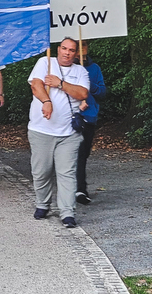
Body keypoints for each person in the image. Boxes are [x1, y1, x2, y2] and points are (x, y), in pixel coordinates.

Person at [27, 38, 89, 228]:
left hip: (68, 133)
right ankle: (42, 204)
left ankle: (67, 212)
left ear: (76, 53)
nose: (67, 53)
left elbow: (82, 94)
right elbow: (36, 85)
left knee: (67, 173)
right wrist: (47, 101)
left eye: (71, 50)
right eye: (64, 48)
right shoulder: (45, 63)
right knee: (41, 171)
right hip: (41, 129)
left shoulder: (81, 71)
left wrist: (60, 84)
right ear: (58, 49)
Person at [75, 40, 106, 205]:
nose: (81, 49)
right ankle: (80, 189)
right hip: (73, 117)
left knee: (84, 154)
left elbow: (102, 92)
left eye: (84, 45)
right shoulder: (67, 68)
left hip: (90, 117)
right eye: (78, 46)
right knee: (77, 153)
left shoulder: (94, 68)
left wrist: (89, 83)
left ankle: (77, 185)